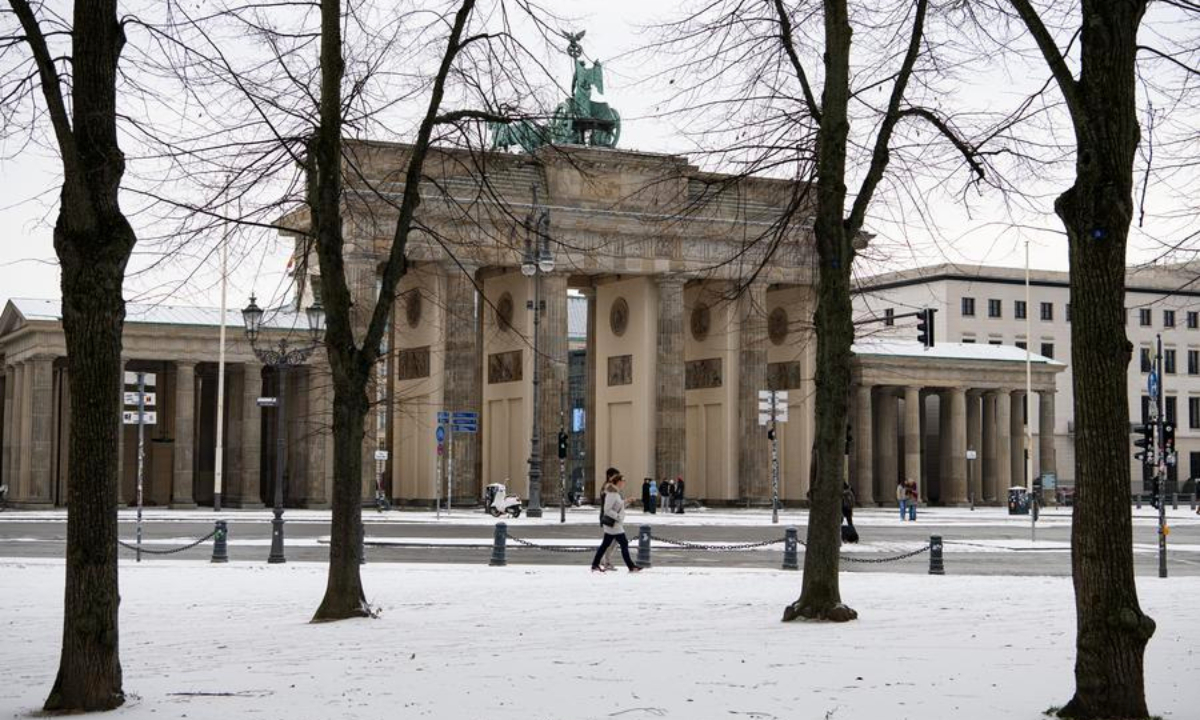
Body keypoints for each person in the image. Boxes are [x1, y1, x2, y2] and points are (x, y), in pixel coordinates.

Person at [591, 473, 643, 573]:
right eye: (623, 481)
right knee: (624, 544)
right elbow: (607, 509)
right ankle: (631, 566)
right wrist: (618, 517)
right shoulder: (612, 493)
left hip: (614, 524)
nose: (624, 483)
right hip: (614, 525)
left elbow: (618, 506)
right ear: (618, 482)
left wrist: (627, 501)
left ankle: (595, 564)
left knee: (605, 545)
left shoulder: (615, 493)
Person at [600, 467, 621, 570]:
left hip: (610, 517)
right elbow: (607, 506)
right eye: (616, 475)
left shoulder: (609, 487)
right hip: (609, 518)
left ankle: (604, 561)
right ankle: (605, 561)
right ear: (610, 476)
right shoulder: (609, 488)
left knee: (611, 541)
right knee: (611, 541)